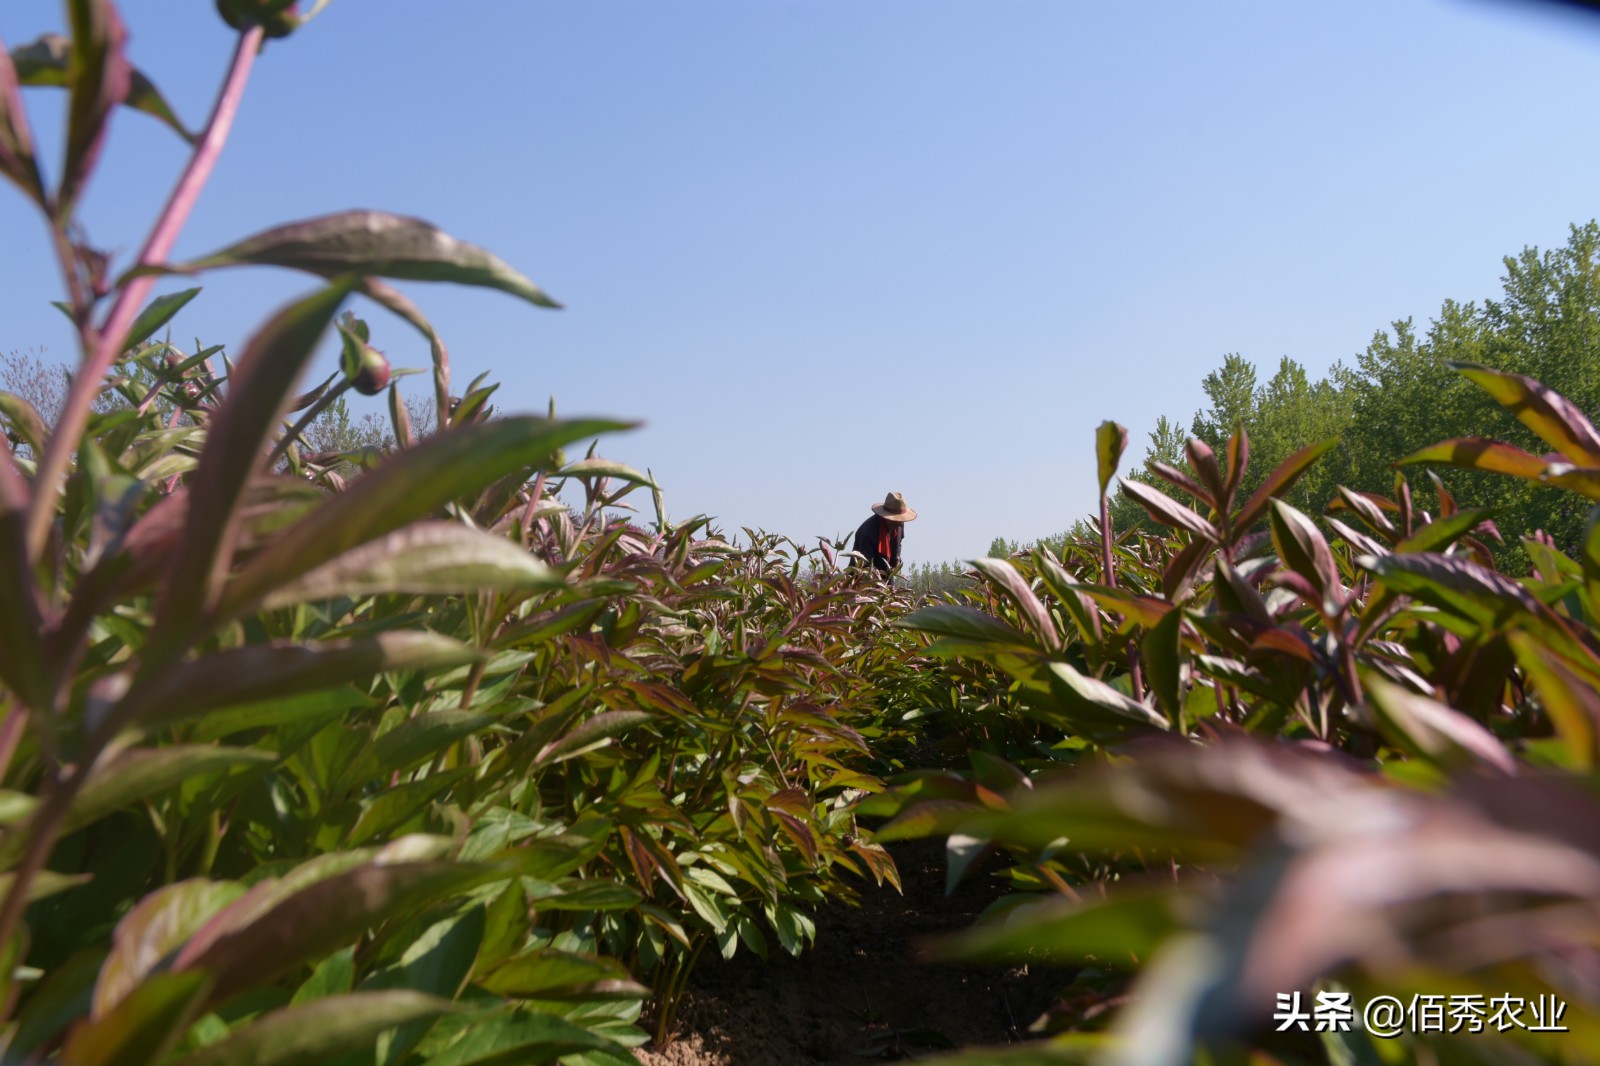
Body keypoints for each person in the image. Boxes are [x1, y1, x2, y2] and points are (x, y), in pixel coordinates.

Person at [851, 492, 917, 575]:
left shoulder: (899, 525)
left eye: (901, 520)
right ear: (887, 517)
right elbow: (864, 566)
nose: (899, 523)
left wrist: (897, 560)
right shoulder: (868, 532)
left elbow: (898, 544)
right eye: (896, 520)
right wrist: (879, 574)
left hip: (887, 577)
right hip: (862, 581)